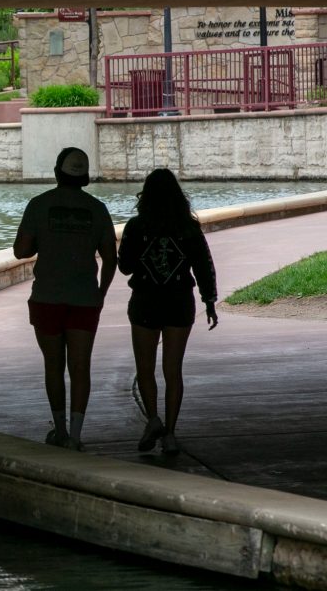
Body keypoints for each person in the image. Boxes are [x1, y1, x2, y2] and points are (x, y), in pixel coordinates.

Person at [13, 147, 117, 451]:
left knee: (54, 366)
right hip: (85, 299)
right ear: (84, 176)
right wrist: (100, 294)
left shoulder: (38, 205)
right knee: (81, 367)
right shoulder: (98, 209)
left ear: (57, 171)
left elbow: (21, 251)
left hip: (47, 298)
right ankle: (76, 435)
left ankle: (58, 430)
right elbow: (111, 259)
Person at [118, 168, 218, 455]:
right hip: (179, 301)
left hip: (145, 300)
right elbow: (204, 266)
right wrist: (209, 301)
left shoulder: (136, 227)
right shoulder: (188, 227)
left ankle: (152, 419)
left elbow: (125, 265)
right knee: (173, 370)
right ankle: (171, 434)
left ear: (145, 196)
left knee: (145, 368)